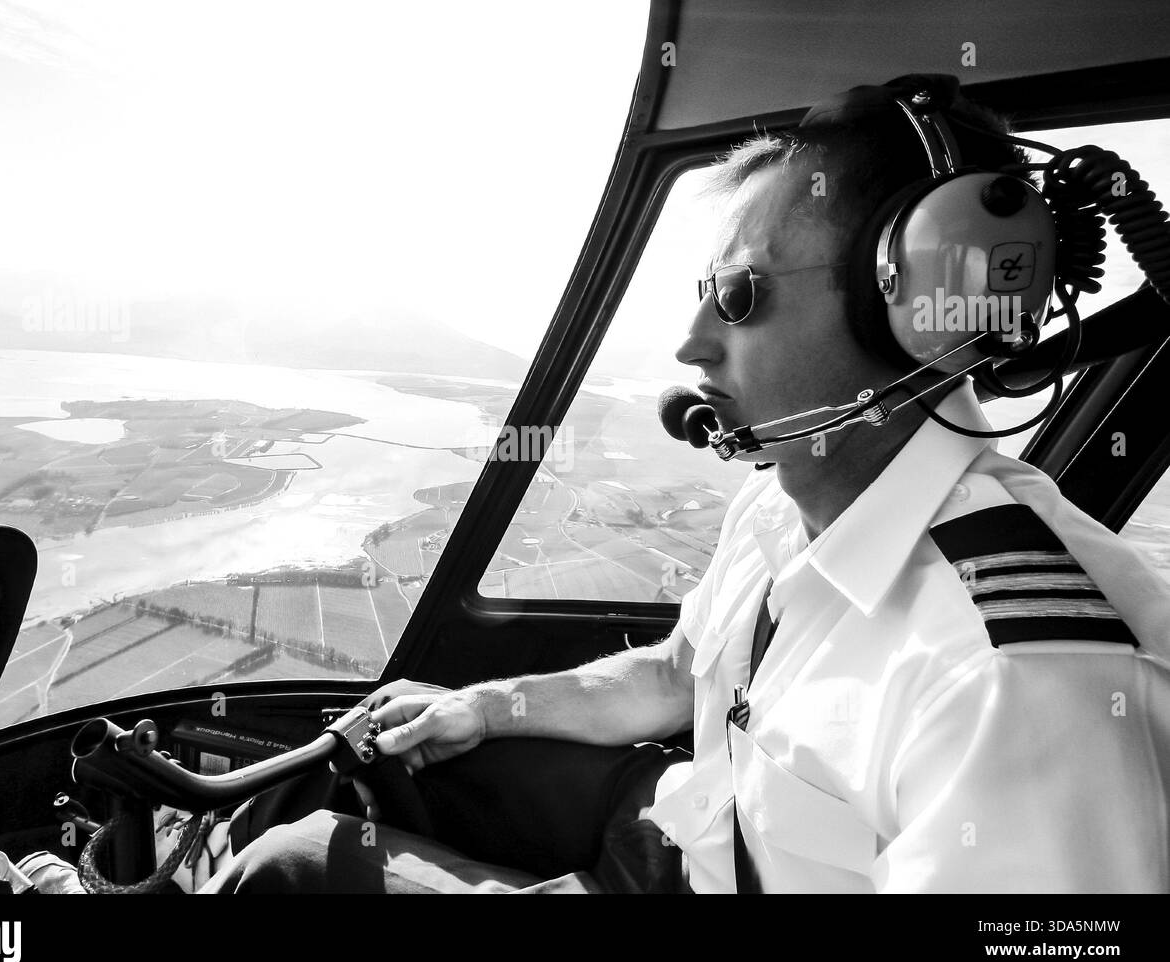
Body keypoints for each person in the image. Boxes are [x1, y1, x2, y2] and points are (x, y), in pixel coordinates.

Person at [203, 78, 1170, 893]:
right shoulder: (783, 499)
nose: (691, 344)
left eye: (741, 294)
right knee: (354, 771)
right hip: (698, 837)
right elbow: (675, 674)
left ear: (910, 311)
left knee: (295, 868)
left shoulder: (1013, 679)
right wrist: (484, 707)